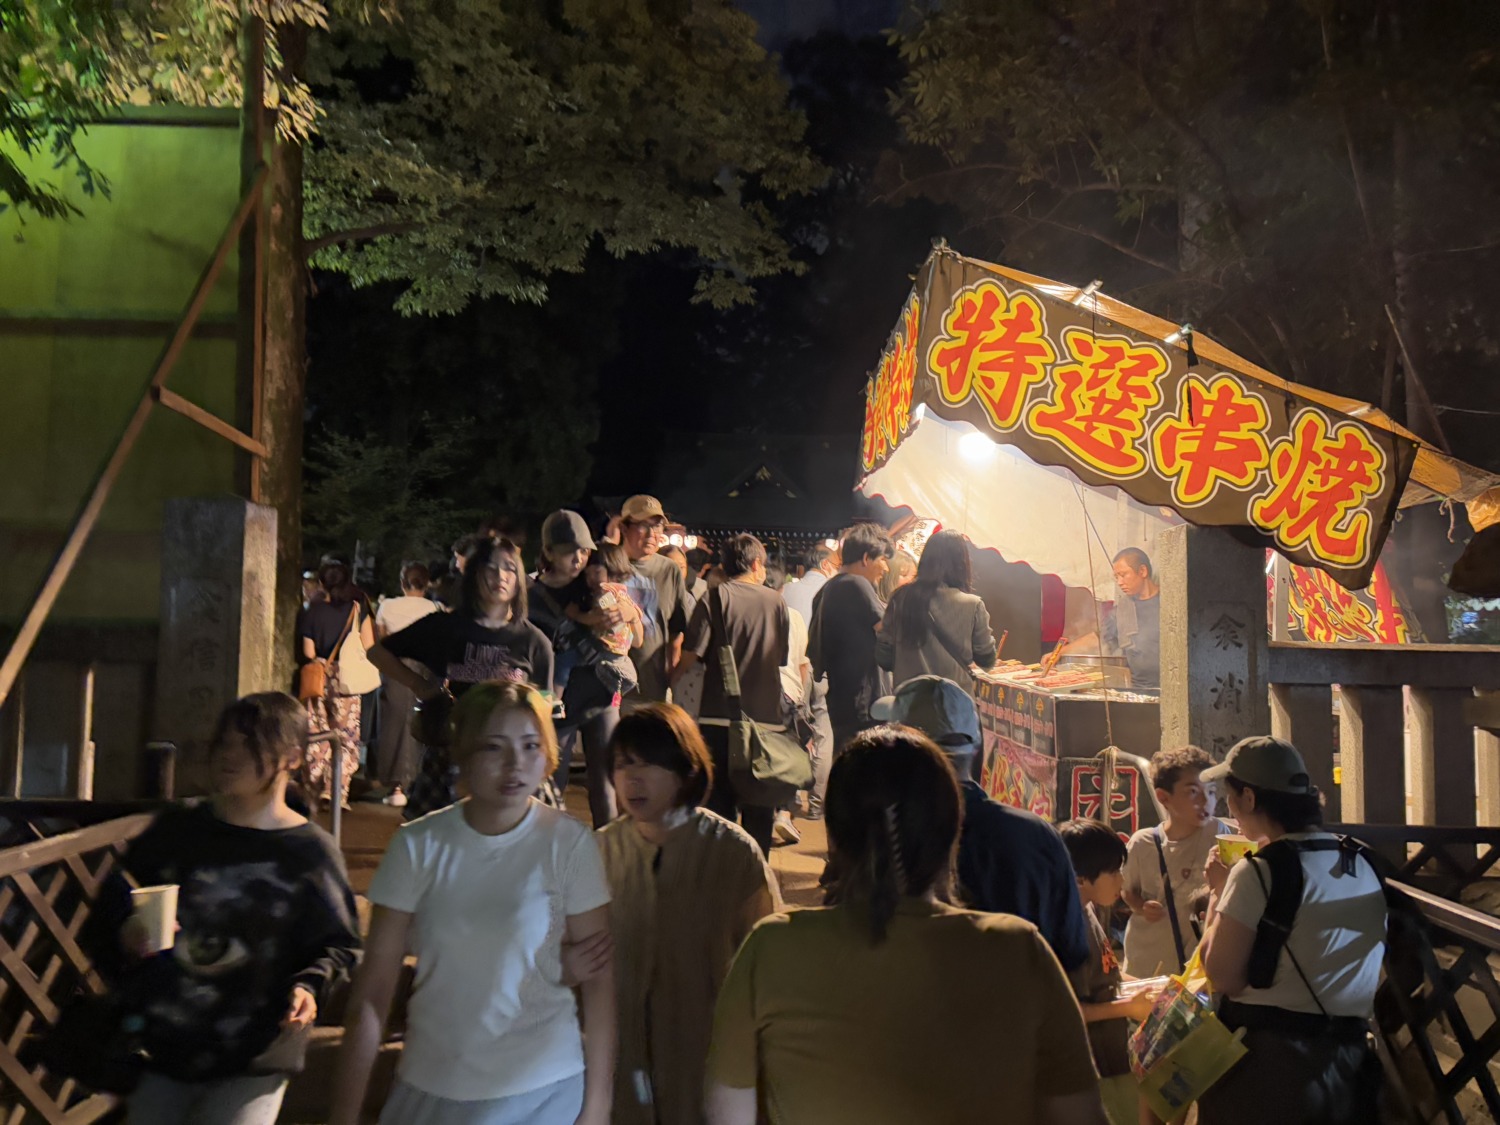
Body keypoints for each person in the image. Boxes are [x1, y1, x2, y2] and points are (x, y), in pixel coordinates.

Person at [705, 726, 1107, 1125]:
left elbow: (727, 1115)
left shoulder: (772, 950)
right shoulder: (1019, 950)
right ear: (952, 831)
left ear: (835, 838)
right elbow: (1081, 1115)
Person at [330, 682, 615, 1125]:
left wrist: (597, 1106)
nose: (515, 764)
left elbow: (600, 984)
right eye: (493, 747)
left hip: (542, 1089)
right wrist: (344, 1114)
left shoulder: (569, 843)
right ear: (463, 751)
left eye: (530, 746)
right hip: (431, 1084)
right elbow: (373, 995)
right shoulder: (418, 845)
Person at [82, 692, 360, 1125]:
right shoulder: (178, 830)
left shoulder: (310, 852)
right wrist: (126, 931)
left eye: (249, 745)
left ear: (291, 757)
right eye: (225, 743)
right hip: (163, 1045)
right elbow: (113, 902)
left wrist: (309, 986)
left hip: (256, 1052)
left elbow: (340, 944)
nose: (230, 755)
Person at [591, 704, 779, 1125]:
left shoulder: (733, 854)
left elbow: (768, 970)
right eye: (622, 764)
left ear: (686, 770)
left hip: (706, 1063)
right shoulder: (598, 852)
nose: (632, 778)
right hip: (622, 1068)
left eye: (648, 764)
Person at [1196, 737, 1386, 1125]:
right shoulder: (1359, 859)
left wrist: (1219, 893)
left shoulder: (1258, 872)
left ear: (1249, 798)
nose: (1229, 808)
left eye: (1230, 796)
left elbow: (1222, 975)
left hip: (1269, 1073)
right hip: (1348, 1067)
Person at [870, 675, 1089, 971]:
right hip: (1019, 997)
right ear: (976, 745)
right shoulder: (1036, 835)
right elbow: (1073, 952)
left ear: (895, 750)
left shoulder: (876, 834)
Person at [369, 537, 555, 819]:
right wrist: (421, 686)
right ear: (474, 575)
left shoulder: (534, 641)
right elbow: (378, 653)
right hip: (452, 756)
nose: (500, 576)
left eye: (509, 568)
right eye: (490, 568)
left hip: (511, 763)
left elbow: (545, 704)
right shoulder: (447, 627)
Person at [674, 533, 789, 856]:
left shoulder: (712, 598)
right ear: (756, 564)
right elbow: (781, 658)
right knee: (759, 810)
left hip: (717, 718)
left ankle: (722, 874)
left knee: (719, 810)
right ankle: (757, 873)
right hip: (765, 724)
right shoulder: (776, 602)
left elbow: (691, 654)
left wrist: (671, 677)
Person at [1059, 819, 1158, 1125]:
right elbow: (1065, 1008)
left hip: (1114, 1056)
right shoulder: (1065, 927)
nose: (1121, 880)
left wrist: (1156, 986)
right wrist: (1129, 1007)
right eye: (1113, 872)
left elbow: (1107, 971)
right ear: (1079, 879)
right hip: (1094, 1065)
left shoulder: (1089, 909)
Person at [530, 509, 624, 828]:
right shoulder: (531, 595)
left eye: (584, 551)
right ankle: (548, 850)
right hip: (554, 703)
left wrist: (624, 615)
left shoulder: (593, 585)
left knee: (605, 786)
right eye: (569, 551)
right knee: (551, 783)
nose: (578, 559)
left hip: (600, 694)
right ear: (548, 552)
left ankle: (606, 853)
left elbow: (631, 627)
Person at [1122, 746, 1230, 977]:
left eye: (1211, 791)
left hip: (1195, 968)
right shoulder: (1142, 843)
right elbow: (1127, 891)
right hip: (1147, 963)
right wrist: (1141, 906)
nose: (1206, 801)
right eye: (1193, 791)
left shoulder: (1219, 834)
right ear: (1163, 797)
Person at [807, 523, 894, 759]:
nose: (885, 568)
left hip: (842, 700)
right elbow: (888, 629)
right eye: (882, 559)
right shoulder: (857, 584)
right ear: (866, 558)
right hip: (864, 705)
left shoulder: (827, 589)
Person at [876, 530, 999, 689]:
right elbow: (986, 660)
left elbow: (884, 657)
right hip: (954, 700)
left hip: (909, 700)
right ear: (962, 565)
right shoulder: (973, 605)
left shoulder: (899, 599)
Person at [299, 558, 376, 810]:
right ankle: (336, 791)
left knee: (318, 732)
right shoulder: (358, 608)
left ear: (322, 583)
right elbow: (369, 644)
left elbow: (308, 651)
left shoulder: (312, 611)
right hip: (348, 678)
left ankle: (316, 787)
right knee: (345, 736)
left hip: (319, 677)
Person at [373, 562, 441, 807]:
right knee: (419, 721)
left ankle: (395, 784)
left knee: (393, 723)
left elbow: (381, 639)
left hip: (395, 668)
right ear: (426, 584)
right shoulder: (433, 608)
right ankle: (415, 781)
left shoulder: (387, 606)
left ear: (403, 582)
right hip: (424, 669)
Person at [618, 495, 690, 708]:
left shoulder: (669, 570)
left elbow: (677, 629)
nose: (652, 534)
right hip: (611, 689)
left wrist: (671, 674)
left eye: (657, 526)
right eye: (643, 525)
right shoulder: (608, 565)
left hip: (654, 689)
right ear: (624, 528)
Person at [783, 544, 838, 820]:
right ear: (826, 565)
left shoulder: (786, 590)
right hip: (822, 669)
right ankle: (816, 804)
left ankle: (791, 797)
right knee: (823, 732)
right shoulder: (833, 590)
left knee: (795, 731)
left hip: (794, 671)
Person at [1063, 547, 1161, 692]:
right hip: (1138, 689)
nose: (1119, 582)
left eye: (1123, 575)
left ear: (1142, 571)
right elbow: (1099, 638)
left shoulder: (1170, 601)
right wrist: (1060, 653)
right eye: (1116, 577)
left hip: (1175, 689)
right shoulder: (1123, 609)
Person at [763, 558, 811, 845]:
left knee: (762, 754)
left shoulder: (754, 610)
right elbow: (802, 663)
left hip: (758, 692)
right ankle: (783, 812)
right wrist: (800, 696)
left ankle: (765, 813)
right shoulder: (794, 617)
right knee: (787, 756)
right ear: (782, 588)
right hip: (789, 692)